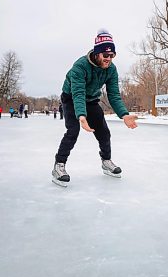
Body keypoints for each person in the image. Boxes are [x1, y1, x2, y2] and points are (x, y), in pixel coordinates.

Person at [52, 28, 138, 187]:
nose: (109, 59)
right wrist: (81, 116)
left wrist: (124, 115)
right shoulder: (80, 65)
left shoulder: (111, 69)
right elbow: (77, 92)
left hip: (91, 100)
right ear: (97, 53)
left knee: (104, 132)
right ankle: (58, 166)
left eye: (112, 55)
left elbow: (113, 95)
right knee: (73, 131)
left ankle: (106, 161)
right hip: (71, 98)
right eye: (106, 55)